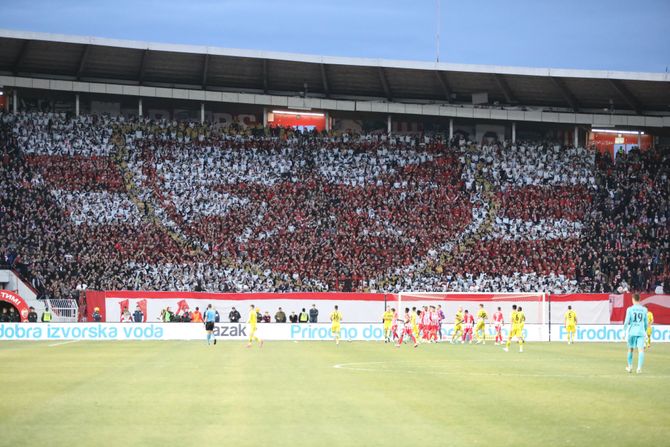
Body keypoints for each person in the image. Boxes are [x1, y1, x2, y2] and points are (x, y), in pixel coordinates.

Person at [624, 294, 648, 374]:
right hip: (641, 332)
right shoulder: (644, 309)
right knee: (641, 350)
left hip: (632, 332)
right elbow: (646, 323)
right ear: (639, 300)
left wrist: (624, 331)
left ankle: (630, 367)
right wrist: (644, 331)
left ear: (633, 299)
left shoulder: (630, 309)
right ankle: (639, 368)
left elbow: (627, 321)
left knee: (630, 349)